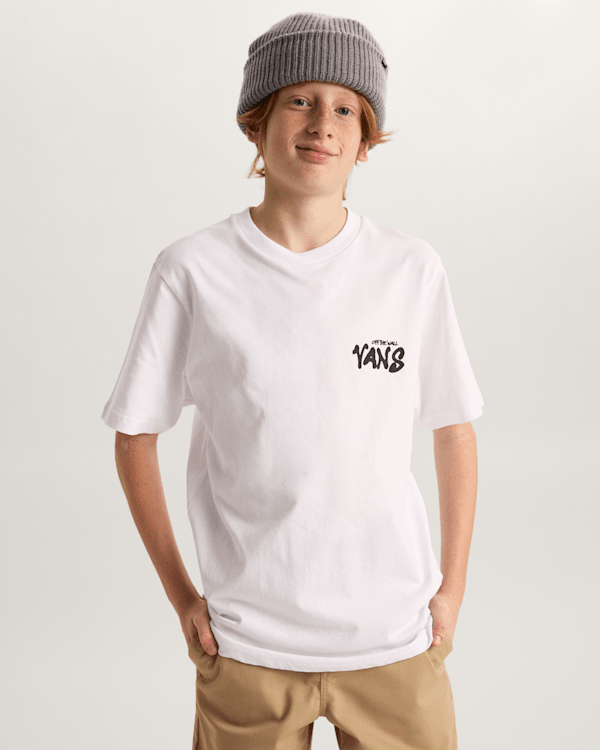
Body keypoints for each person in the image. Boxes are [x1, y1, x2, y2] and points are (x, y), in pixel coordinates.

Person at [101, 12, 483, 750]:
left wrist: (452, 591)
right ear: (257, 122)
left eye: (345, 109)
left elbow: (454, 427)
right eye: (299, 100)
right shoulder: (193, 271)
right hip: (248, 646)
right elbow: (134, 435)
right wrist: (183, 597)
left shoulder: (410, 270)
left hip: (395, 640)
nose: (321, 125)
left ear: (366, 139)